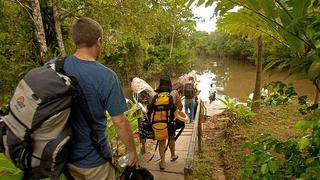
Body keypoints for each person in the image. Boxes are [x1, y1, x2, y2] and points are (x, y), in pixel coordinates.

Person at [50, 17, 138, 179]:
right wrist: (132, 151)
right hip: (94, 161)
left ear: (75, 40)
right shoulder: (106, 76)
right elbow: (119, 122)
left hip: (61, 158)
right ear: (99, 41)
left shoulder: (54, 66)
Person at [148, 75, 182, 170]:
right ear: (170, 83)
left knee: (162, 141)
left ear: (160, 83)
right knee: (171, 138)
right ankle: (173, 155)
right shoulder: (174, 93)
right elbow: (180, 107)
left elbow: (149, 108)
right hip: (170, 122)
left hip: (158, 123)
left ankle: (162, 162)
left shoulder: (153, 94)